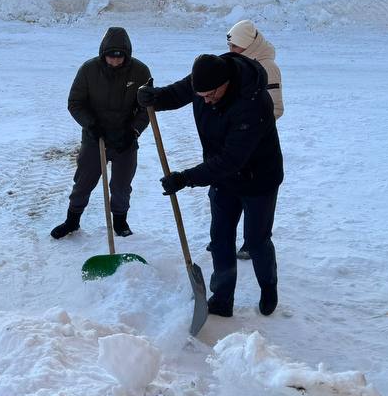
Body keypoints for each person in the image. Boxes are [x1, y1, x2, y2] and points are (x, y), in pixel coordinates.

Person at [137, 52, 283, 317]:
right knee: (220, 238)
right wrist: (154, 98)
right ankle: (222, 298)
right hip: (224, 180)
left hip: (258, 179)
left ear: (226, 82)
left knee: (256, 239)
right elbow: (177, 93)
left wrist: (185, 178)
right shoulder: (205, 80)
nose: (205, 100)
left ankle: (268, 287)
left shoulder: (252, 104)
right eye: (200, 95)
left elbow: (232, 159)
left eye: (210, 95)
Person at [50, 26, 152, 240]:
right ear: (103, 53)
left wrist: (133, 131)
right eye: (110, 57)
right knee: (84, 180)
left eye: (120, 57)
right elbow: (75, 103)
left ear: (127, 54)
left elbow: (146, 109)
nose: (115, 62)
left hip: (126, 137)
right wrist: (91, 125)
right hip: (95, 136)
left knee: (122, 184)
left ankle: (120, 221)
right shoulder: (88, 70)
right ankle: (72, 220)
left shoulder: (140, 72)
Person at [227, 19, 283, 261]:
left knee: (258, 197)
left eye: (236, 48)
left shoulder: (268, 67)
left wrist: (250, 129)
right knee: (227, 190)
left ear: (249, 46)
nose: (231, 52)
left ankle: (253, 242)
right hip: (234, 139)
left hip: (258, 144)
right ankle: (222, 238)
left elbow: (276, 107)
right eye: (230, 47)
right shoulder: (235, 64)